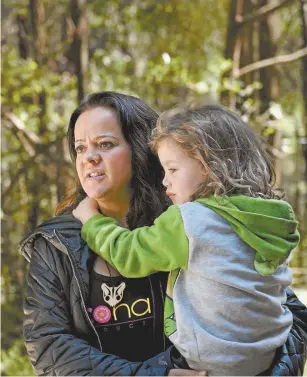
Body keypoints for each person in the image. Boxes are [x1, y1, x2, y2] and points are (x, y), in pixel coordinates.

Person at [20, 92, 307, 376]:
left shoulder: (187, 220)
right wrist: (155, 374)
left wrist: (263, 370)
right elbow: (48, 347)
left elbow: (286, 313)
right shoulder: (55, 243)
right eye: (80, 148)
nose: (89, 158)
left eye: (105, 144)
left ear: (141, 150)